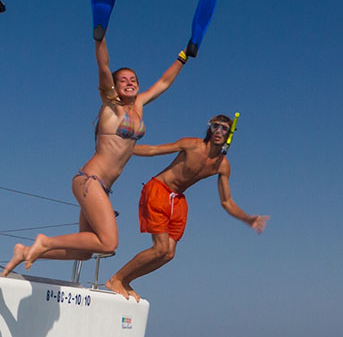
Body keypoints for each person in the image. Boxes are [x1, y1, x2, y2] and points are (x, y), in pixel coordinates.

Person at [2, 29, 184, 277]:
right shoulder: (111, 105)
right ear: (115, 86)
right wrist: (100, 40)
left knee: (84, 252)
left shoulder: (139, 105)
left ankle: (26, 251)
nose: (130, 82)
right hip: (90, 181)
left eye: (134, 80)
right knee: (108, 243)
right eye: (124, 80)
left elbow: (164, 82)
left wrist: (183, 57)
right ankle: (45, 242)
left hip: (102, 187)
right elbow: (104, 67)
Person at [103, 114, 266, 300]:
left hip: (178, 199)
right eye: (215, 127)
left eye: (224, 129)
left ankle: (126, 281)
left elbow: (226, 201)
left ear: (229, 135)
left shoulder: (222, 165)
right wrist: (124, 148)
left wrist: (248, 218)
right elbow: (154, 150)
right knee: (160, 248)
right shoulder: (192, 145)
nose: (218, 132)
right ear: (210, 129)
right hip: (158, 190)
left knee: (168, 254)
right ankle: (116, 279)